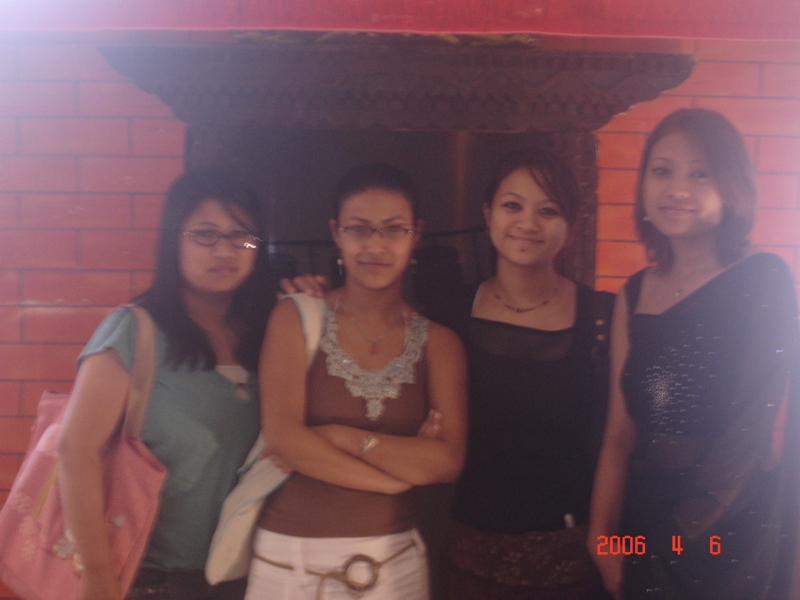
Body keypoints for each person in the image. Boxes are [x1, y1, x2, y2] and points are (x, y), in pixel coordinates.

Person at [282, 148, 614, 599]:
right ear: (488, 214)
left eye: (549, 210)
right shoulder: (448, 314)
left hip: (573, 563)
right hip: (465, 558)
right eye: (512, 205)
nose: (528, 222)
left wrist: (612, 546)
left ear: (571, 226)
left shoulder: (604, 317)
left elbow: (621, 440)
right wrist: (313, 297)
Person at [588, 108, 800, 599]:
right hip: (644, 517)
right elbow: (619, 435)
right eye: (662, 171)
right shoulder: (633, 294)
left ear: (732, 185)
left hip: (730, 527)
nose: (677, 189)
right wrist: (602, 538)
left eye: (700, 173)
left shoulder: (764, 279)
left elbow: (747, 437)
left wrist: (672, 544)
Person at [246, 163, 468, 599]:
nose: (375, 246)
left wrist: (340, 438)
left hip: (394, 565)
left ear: (416, 234)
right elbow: (283, 438)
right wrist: (395, 478)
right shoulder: (294, 317)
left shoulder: (439, 344)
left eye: (394, 229)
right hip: (287, 565)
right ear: (336, 232)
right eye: (359, 229)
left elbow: (446, 461)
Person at [57, 169, 274, 600]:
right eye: (205, 234)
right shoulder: (134, 331)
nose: (225, 250)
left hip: (252, 576)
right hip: (151, 581)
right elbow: (74, 450)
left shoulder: (271, 333)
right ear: (173, 240)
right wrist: (98, 574)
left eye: (241, 236)